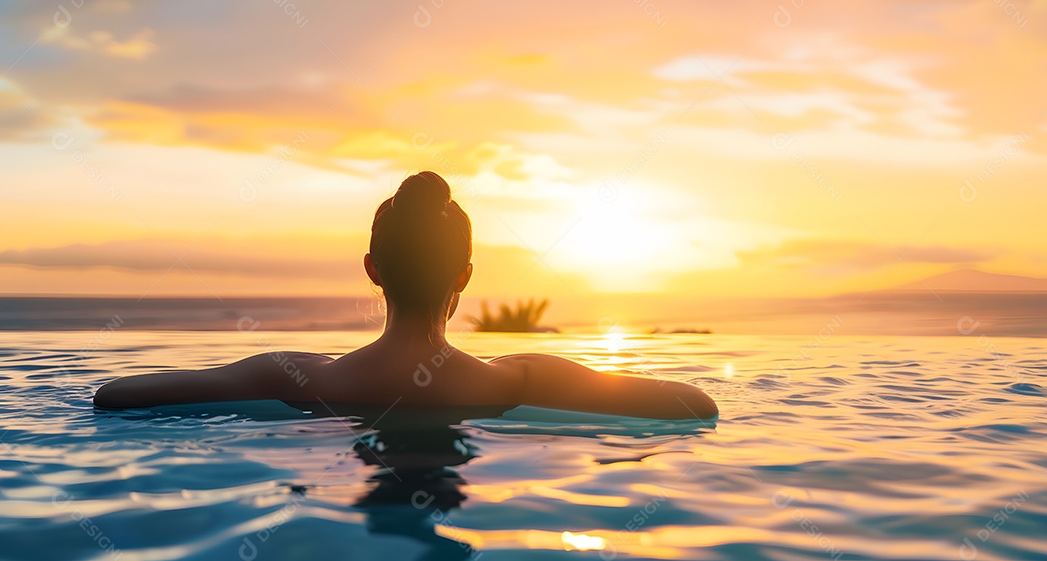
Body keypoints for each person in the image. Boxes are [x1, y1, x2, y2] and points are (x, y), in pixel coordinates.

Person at [93, 172, 717, 419]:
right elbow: (696, 404)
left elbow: (117, 396)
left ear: (372, 269)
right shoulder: (518, 382)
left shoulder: (303, 378)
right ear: (464, 277)